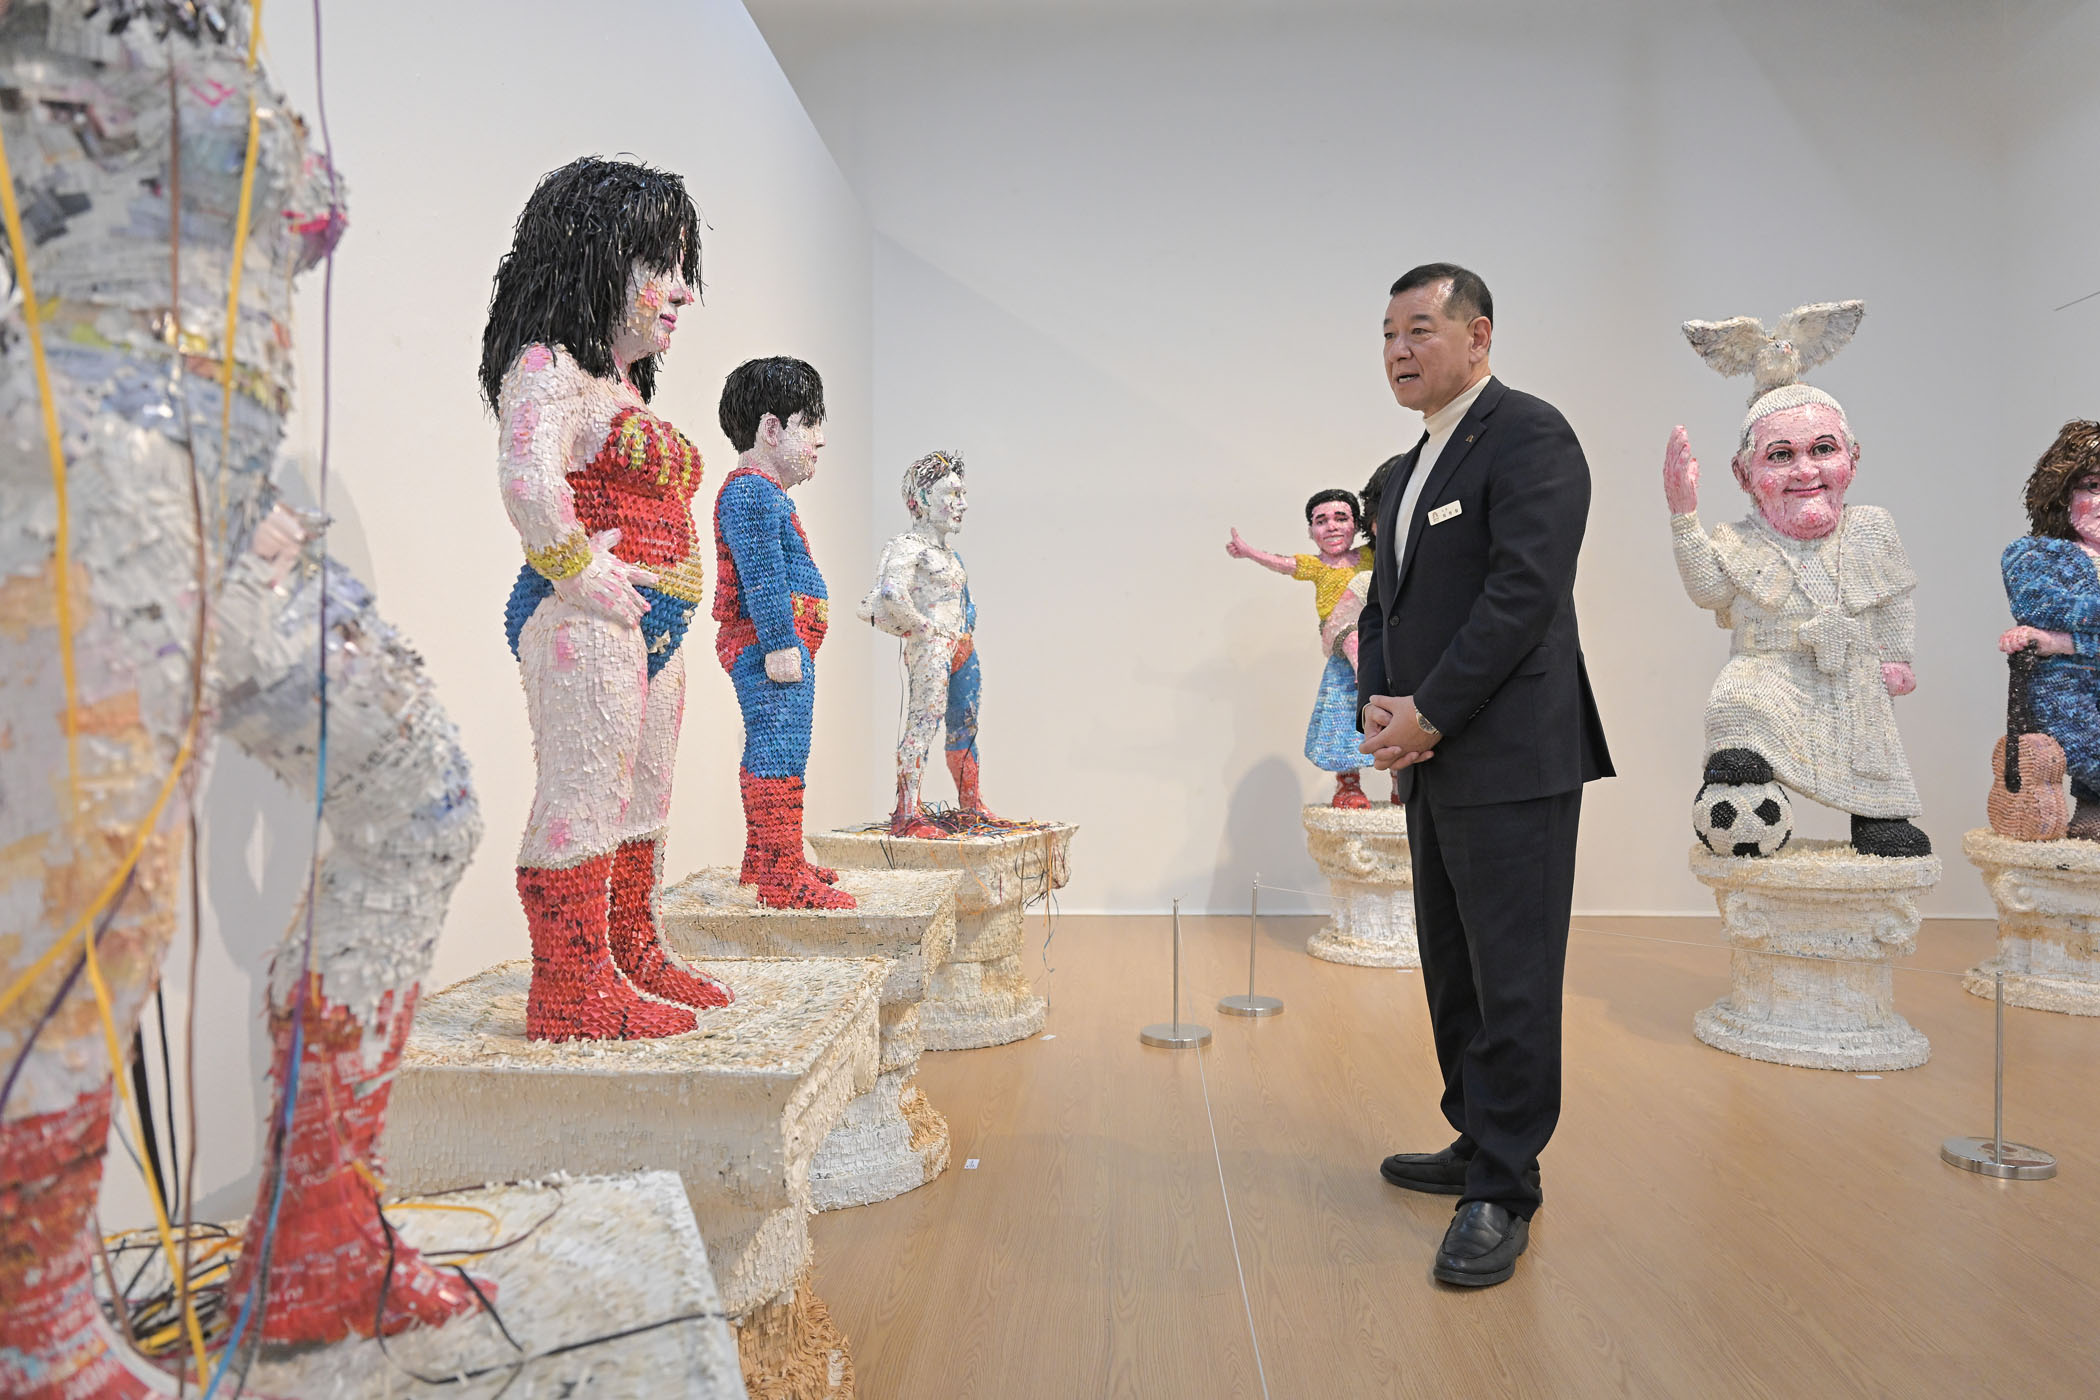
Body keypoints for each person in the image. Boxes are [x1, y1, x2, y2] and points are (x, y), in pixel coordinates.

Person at [0, 5, 487, 1376]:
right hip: (87, 469)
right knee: (97, 904)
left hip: (231, 495)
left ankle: (322, 1237)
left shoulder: (233, 31)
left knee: (422, 797)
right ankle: (36, 1342)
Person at [1356, 263, 1613, 1288]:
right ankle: (1476, 1136)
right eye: (1387, 334)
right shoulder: (1403, 466)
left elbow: (1522, 594)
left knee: (1514, 974)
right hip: (1430, 754)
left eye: (1420, 328)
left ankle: (1506, 1184)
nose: (1399, 350)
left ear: (1479, 334)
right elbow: (1384, 605)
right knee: (1453, 964)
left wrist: (1428, 712)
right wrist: (1380, 707)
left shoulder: (1531, 435)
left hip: (1512, 756)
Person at [490, 158, 733, 1044]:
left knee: (643, 795)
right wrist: (574, 569)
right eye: (661, 266)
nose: (683, 292)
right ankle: (570, 984)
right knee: (585, 789)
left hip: (648, 631)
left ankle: (629, 947)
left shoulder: (618, 387)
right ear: (595, 259)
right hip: (585, 623)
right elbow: (527, 475)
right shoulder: (548, 367)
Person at [1664, 308, 1929, 858]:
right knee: (1734, 705)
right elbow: (1709, 591)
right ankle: (1748, 796)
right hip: (1767, 671)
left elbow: (1893, 600)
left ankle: (1876, 816)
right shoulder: (1739, 539)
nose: (1805, 470)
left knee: (1870, 742)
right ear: (1744, 475)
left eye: (1823, 450)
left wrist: (1896, 657)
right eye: (1780, 456)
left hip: (1850, 675)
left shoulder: (1871, 529)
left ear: (1853, 458)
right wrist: (1684, 516)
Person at [714, 357, 857, 909]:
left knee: (785, 747)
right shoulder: (751, 493)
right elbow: (763, 575)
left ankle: (770, 858)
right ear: (771, 429)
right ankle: (779, 874)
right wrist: (778, 644)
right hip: (770, 648)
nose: (820, 439)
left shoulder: (766, 494)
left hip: (784, 647)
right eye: (809, 423)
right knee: (779, 749)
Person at [860, 450, 998, 836]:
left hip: (961, 648)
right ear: (921, 498)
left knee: (964, 725)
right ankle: (907, 813)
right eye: (953, 494)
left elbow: (963, 600)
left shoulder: (950, 555)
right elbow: (890, 592)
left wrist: (964, 628)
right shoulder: (908, 546)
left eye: (963, 494)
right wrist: (924, 629)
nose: (962, 504)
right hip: (933, 649)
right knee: (923, 724)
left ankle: (971, 804)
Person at [1226, 492, 1378, 806]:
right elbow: (1283, 564)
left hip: (1377, 642)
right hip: (1341, 642)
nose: (1332, 527)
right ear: (1310, 531)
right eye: (1321, 521)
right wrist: (1249, 552)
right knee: (1342, 716)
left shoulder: (1369, 555)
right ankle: (1348, 784)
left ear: (1356, 524)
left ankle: (1402, 783)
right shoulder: (1316, 566)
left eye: (1340, 518)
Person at [1998, 420, 2100, 838]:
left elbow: (2058, 626)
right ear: (2061, 493)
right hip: (2068, 693)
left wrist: (2064, 642)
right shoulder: (2035, 554)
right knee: (2086, 748)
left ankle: (2091, 810)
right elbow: (2040, 605)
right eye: (2093, 485)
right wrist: (2061, 640)